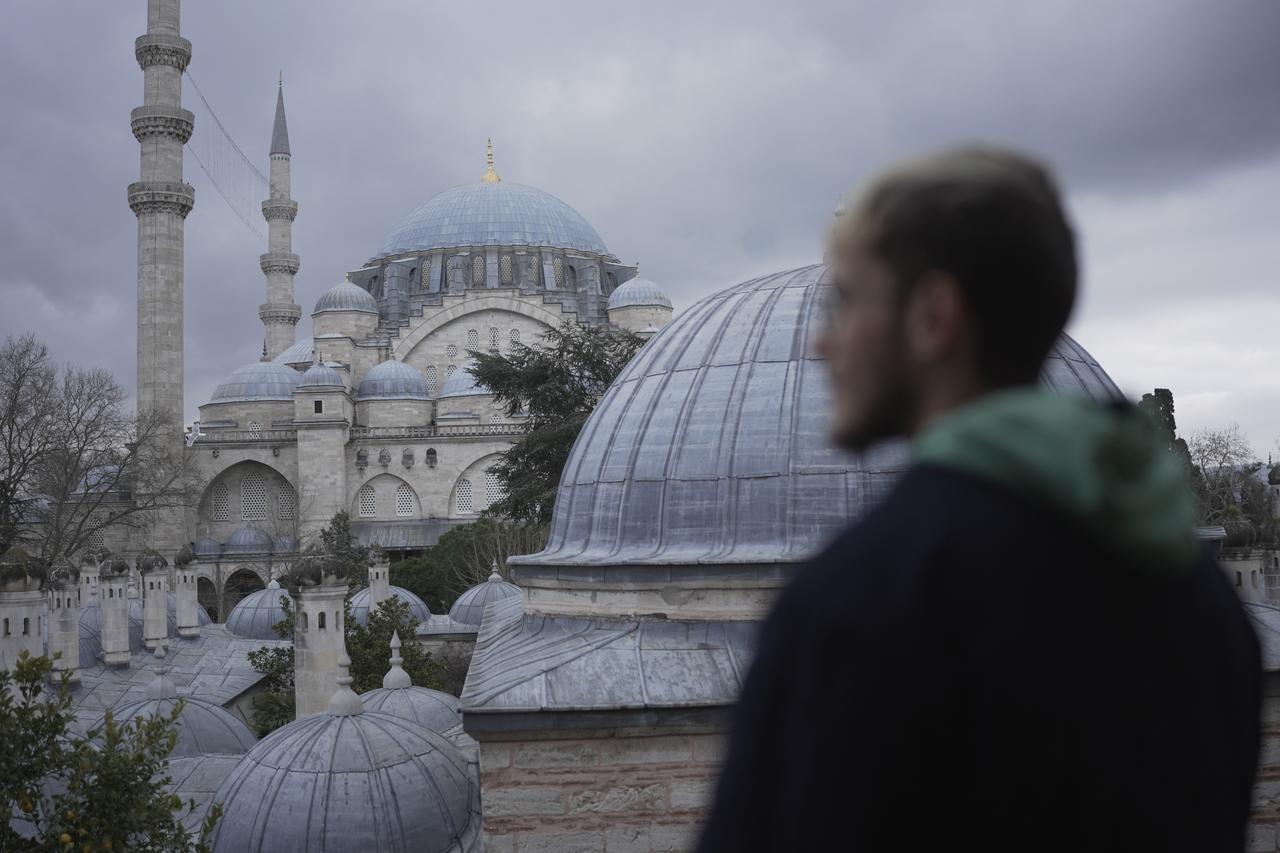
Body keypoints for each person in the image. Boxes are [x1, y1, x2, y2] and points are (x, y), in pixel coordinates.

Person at [697, 146, 1260, 852]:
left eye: (846, 303)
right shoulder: (1191, 588)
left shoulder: (867, 600)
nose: (820, 343)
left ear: (934, 316)